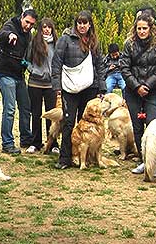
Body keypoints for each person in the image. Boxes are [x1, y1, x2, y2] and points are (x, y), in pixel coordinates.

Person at [52, 11, 105, 170]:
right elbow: (57, 63)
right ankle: (65, 158)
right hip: (70, 88)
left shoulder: (94, 41)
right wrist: (57, 86)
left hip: (90, 87)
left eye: (85, 23)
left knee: (86, 124)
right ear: (76, 24)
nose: (82, 26)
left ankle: (86, 158)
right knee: (68, 123)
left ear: (90, 25)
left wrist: (102, 86)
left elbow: (100, 65)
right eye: (79, 23)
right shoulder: (65, 40)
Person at [119, 13, 156, 175]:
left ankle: (154, 162)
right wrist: (136, 86)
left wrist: (147, 85)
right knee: (137, 127)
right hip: (133, 91)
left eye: (144, 28)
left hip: (152, 90)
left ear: (151, 28)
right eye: (139, 28)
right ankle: (143, 160)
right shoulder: (129, 44)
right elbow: (124, 68)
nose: (141, 31)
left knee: (153, 126)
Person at [0, 9, 37, 154]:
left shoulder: (29, 35)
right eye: (27, 22)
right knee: (10, 109)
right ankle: (7, 143)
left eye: (31, 24)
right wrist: (9, 36)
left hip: (19, 75)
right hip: (4, 73)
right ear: (22, 17)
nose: (28, 26)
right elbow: (1, 34)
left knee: (26, 107)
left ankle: (26, 139)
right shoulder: (10, 25)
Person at [25, 17, 57, 154]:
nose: (47, 29)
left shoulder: (57, 43)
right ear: (40, 29)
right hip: (35, 83)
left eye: (49, 27)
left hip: (51, 85)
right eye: (44, 27)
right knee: (36, 113)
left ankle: (53, 143)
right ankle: (35, 143)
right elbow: (26, 60)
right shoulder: (34, 42)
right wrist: (33, 70)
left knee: (51, 115)